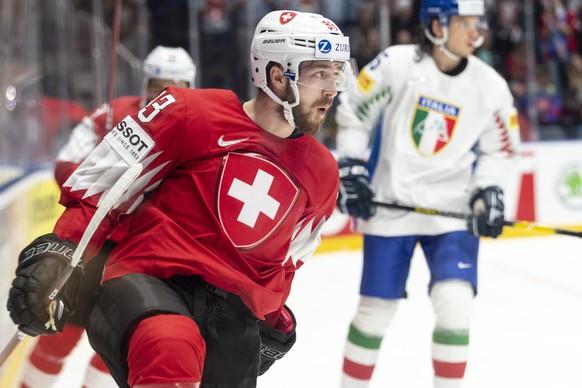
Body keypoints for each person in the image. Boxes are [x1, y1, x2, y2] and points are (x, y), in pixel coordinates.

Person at [7, 10, 357, 388]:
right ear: (276, 74)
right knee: (170, 345)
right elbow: (104, 191)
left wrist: (273, 319)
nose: (332, 88)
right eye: (320, 73)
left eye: (337, 74)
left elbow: (288, 260)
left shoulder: (323, 172)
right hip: (151, 285)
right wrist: (62, 250)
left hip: (230, 313)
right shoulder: (190, 112)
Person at [334, 1, 520, 387]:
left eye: (478, 23)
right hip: (390, 205)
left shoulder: (490, 86)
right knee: (374, 312)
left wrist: (489, 190)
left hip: (451, 212)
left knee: (455, 303)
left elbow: (500, 149)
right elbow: (354, 111)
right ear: (436, 24)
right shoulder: (396, 64)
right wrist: (350, 165)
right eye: (465, 23)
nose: (476, 32)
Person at [17, 45, 196, 388]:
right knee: (57, 337)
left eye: (178, 86)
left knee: (117, 352)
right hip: (95, 248)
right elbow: (66, 165)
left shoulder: (199, 130)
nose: (167, 95)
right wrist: (105, 182)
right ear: (145, 84)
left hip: (148, 259)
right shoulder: (112, 114)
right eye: (158, 86)